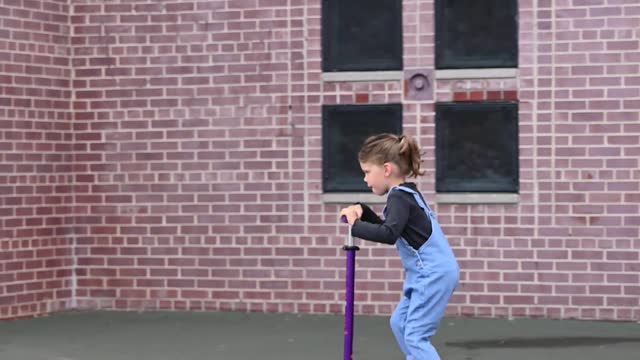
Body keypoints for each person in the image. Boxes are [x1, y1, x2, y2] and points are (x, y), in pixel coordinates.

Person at [339, 133, 459, 360]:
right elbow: (392, 228)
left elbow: (388, 234)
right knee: (400, 322)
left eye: (367, 172)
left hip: (431, 274)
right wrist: (363, 211)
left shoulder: (399, 198)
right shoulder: (407, 194)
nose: (365, 179)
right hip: (427, 273)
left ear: (386, 169)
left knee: (414, 334)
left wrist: (355, 226)